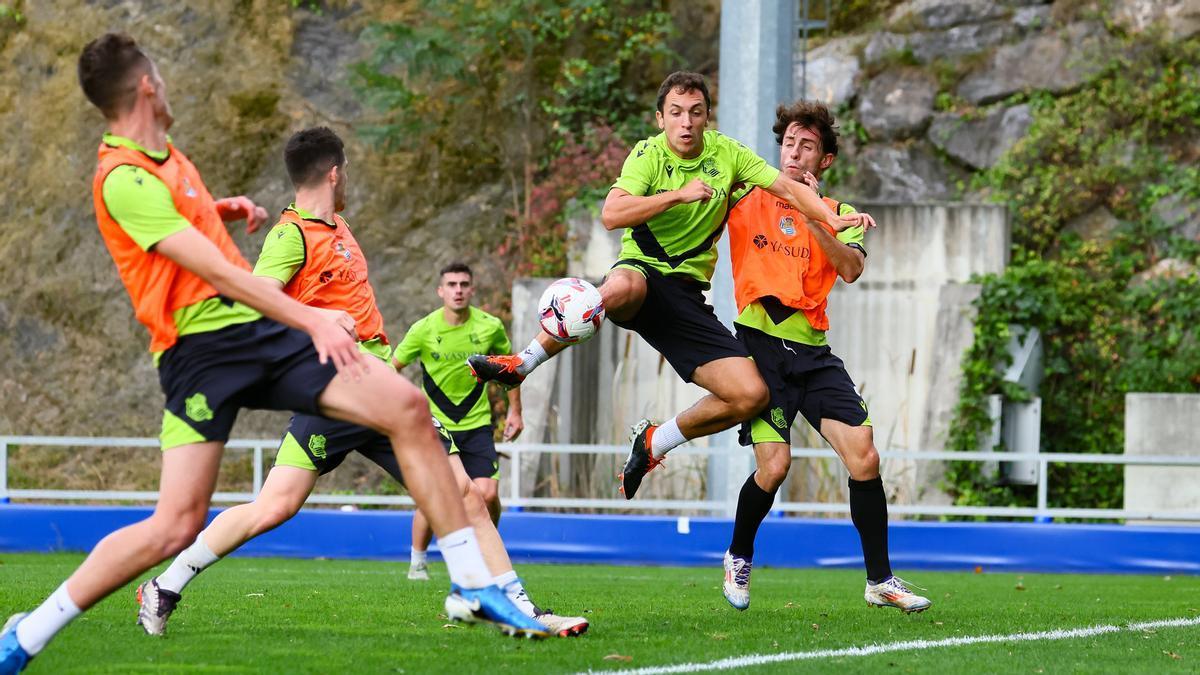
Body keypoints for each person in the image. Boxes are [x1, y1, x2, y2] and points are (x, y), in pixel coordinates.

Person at [0, 35, 542, 674]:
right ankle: (27, 635)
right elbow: (230, 280)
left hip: (259, 339)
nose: (168, 89)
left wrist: (217, 211)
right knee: (174, 526)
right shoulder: (122, 178)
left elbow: (196, 238)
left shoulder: (168, 160)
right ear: (146, 86)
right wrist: (315, 317)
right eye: (163, 80)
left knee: (403, 404)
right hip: (198, 353)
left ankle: (470, 584)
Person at [132, 128, 583, 639]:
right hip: (340, 386)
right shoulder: (291, 235)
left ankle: (164, 586)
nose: (347, 179)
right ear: (333, 171)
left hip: (372, 385)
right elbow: (256, 299)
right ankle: (491, 600)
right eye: (345, 170)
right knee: (288, 506)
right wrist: (320, 322)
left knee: (458, 494)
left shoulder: (340, 227)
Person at [468, 71, 873, 500]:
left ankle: (654, 442)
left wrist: (831, 218)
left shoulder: (730, 156)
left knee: (751, 394)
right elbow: (612, 213)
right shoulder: (647, 154)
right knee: (619, 288)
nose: (686, 122)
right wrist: (678, 195)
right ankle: (523, 364)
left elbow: (789, 190)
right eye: (676, 113)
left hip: (686, 299)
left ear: (707, 119)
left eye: (695, 113)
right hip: (641, 272)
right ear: (660, 118)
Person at [719, 101, 929, 614]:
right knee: (775, 467)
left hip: (813, 354)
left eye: (806, 145)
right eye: (789, 143)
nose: (794, 152)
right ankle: (738, 554)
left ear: (825, 160)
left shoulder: (841, 213)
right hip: (759, 347)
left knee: (866, 456)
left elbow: (852, 269)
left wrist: (815, 217)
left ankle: (880, 580)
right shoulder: (746, 195)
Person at [392, 262, 522, 581]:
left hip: (477, 425)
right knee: (435, 494)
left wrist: (515, 412)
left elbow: (510, 370)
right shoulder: (423, 329)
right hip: (435, 427)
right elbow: (391, 366)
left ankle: (487, 549)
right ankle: (418, 562)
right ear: (441, 291)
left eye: (464, 284)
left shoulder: (489, 326)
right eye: (452, 284)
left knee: (488, 494)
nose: (458, 290)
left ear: (472, 289)